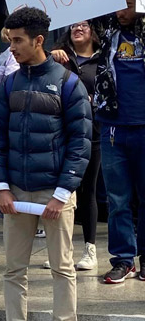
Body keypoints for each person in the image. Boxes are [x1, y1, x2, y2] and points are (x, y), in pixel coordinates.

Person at [0, 7, 91, 321]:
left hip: (53, 191)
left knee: (63, 267)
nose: (10, 47)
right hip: (15, 190)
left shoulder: (67, 82)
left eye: (17, 41)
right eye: (9, 40)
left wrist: (62, 193)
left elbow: (80, 143)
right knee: (14, 268)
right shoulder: (8, 83)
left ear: (38, 40)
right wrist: (0, 186)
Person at [93, 0, 145, 282]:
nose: (121, 10)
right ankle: (123, 259)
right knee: (118, 199)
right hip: (113, 127)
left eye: (128, 3)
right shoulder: (107, 32)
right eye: (118, 3)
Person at [52, 21, 102, 270]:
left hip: (92, 134)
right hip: (63, 135)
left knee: (87, 191)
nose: (77, 29)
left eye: (84, 25)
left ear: (93, 31)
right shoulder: (59, 58)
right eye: (73, 25)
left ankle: (90, 249)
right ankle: (61, 250)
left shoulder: (102, 59)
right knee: (63, 191)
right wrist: (49, 58)